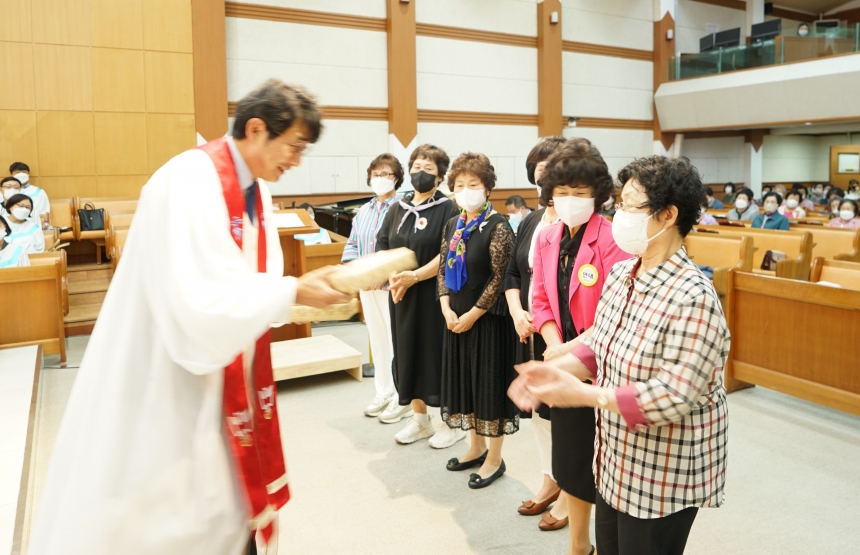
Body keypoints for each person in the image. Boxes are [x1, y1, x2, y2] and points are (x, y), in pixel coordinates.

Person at [28, 79, 351, 555]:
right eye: (295, 146)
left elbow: (246, 285)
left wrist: (291, 293)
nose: (297, 161)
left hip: (226, 378)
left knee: (225, 508)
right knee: (171, 517)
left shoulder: (257, 192)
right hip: (171, 378)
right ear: (257, 129)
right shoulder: (187, 180)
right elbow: (197, 301)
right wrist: (291, 291)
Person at [510, 155, 730, 555]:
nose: (619, 216)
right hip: (614, 458)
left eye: (630, 206)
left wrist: (585, 394)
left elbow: (672, 395)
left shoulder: (693, 296)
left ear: (667, 215)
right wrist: (556, 371)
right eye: (620, 204)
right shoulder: (622, 274)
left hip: (663, 470)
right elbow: (601, 344)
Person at [530, 139, 630, 552]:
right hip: (564, 367)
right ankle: (578, 544)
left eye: (580, 191)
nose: (570, 199)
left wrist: (568, 349)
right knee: (570, 460)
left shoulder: (612, 238)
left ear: (598, 195)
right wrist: (555, 345)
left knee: (604, 464)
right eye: (562, 191)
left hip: (603, 367)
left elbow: (617, 309)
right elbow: (540, 298)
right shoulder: (547, 237)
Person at [438, 152, 517, 489]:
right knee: (467, 385)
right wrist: (446, 308)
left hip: (487, 320)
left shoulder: (498, 226)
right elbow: (442, 268)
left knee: (489, 387)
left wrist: (472, 314)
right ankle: (476, 447)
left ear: (487, 189)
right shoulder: (453, 224)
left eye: (474, 184)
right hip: (456, 317)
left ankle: (495, 458)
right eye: (460, 185)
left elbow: (500, 279)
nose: (466, 191)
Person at [375, 144, 462, 446]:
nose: (420, 173)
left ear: (439, 176)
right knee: (407, 353)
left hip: (434, 294)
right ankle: (420, 420)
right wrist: (393, 275)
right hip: (401, 294)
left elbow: (448, 251)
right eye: (416, 167)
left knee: (436, 355)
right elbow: (383, 245)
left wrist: (414, 276)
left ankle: (450, 422)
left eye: (428, 168)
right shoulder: (397, 207)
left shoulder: (448, 208)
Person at [503, 136, 568, 523]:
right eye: (540, 170)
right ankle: (549, 479)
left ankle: (570, 491)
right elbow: (513, 271)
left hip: (562, 336)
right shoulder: (531, 219)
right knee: (539, 413)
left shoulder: (574, 221)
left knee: (565, 414)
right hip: (527, 329)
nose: (545, 176)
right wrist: (516, 312)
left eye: (553, 167)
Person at [342, 154, 405, 418]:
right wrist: (357, 274)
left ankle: (402, 396)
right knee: (378, 340)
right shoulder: (364, 210)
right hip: (367, 286)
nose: (379, 178)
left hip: (393, 285)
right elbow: (352, 243)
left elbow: (404, 246)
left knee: (396, 341)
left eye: (386, 174)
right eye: (375, 174)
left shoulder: (403, 207)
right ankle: (383, 391)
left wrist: (384, 274)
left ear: (397, 178)